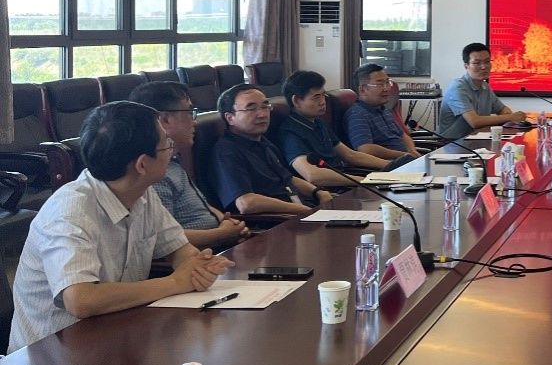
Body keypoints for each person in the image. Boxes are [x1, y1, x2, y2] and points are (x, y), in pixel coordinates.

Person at [8, 101, 234, 353]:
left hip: (115, 340)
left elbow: (180, 249)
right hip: (51, 358)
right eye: (166, 144)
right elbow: (81, 300)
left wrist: (197, 268)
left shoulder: (142, 193)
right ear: (142, 165)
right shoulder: (70, 212)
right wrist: (175, 282)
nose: (172, 150)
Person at [129, 80, 250, 250]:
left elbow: (200, 205)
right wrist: (221, 234)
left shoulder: (173, 161)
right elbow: (161, 238)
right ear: (164, 119)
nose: (195, 122)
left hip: (218, 247)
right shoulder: (153, 172)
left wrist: (225, 221)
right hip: (199, 255)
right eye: (189, 113)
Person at [211, 84, 332, 215]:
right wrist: (303, 210)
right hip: (276, 221)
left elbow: (288, 179)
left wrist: (317, 192)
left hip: (300, 211)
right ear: (230, 118)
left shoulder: (264, 142)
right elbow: (246, 203)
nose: (262, 114)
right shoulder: (226, 151)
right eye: (251, 109)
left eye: (265, 107)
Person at [277, 70, 398, 187]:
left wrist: (392, 165)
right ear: (296, 101)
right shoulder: (290, 132)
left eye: (323, 95)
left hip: (346, 178)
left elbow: (350, 155)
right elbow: (312, 175)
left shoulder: (318, 122)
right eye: (316, 97)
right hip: (329, 189)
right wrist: (365, 181)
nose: (323, 102)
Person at [437, 43, 529, 142]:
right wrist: (510, 117)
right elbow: (474, 122)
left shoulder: (485, 86)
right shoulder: (458, 87)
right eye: (477, 63)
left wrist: (508, 115)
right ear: (466, 66)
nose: (483, 67)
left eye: (487, 62)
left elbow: (502, 109)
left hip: (478, 139)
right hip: (453, 144)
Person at [342, 64, 421, 159]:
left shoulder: (383, 109)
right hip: (388, 165)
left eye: (387, 83)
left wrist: (412, 151)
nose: (387, 88)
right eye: (380, 84)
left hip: (406, 160)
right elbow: (366, 149)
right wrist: (404, 156)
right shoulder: (357, 115)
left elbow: (403, 135)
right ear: (363, 89)